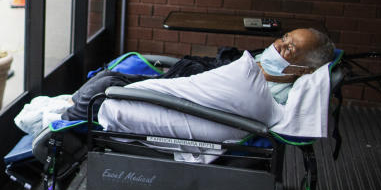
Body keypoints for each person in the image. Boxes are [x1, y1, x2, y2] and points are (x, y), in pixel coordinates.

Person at [60, 28, 334, 123]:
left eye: (289, 48)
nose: (278, 46)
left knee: (105, 86)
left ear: (305, 69)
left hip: (194, 102)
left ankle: (63, 131)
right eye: (284, 37)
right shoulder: (273, 62)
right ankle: (69, 110)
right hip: (196, 81)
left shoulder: (281, 92)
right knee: (111, 74)